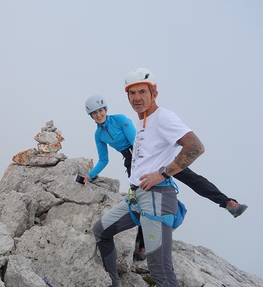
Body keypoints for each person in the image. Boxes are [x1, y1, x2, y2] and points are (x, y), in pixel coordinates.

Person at [90, 68, 241, 287]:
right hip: (136, 197)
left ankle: (226, 202)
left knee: (160, 271)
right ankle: (114, 282)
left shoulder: (162, 117)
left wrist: (163, 174)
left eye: (142, 91)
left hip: (157, 197)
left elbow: (196, 147)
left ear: (154, 93)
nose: (137, 98)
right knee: (100, 230)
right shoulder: (140, 123)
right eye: (132, 93)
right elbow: (111, 158)